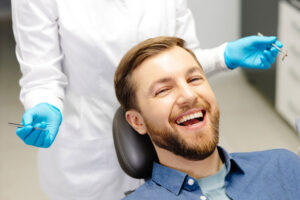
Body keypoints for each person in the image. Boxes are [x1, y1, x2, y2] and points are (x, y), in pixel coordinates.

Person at [11, 0, 282, 199]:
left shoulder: (277, 167)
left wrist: (224, 56)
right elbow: (42, 75)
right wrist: (44, 103)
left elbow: (179, 60)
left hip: (167, 143)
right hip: (89, 148)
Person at [114, 36, 300, 200]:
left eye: (194, 79)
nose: (189, 96)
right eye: (163, 90)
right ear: (137, 121)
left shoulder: (284, 166)